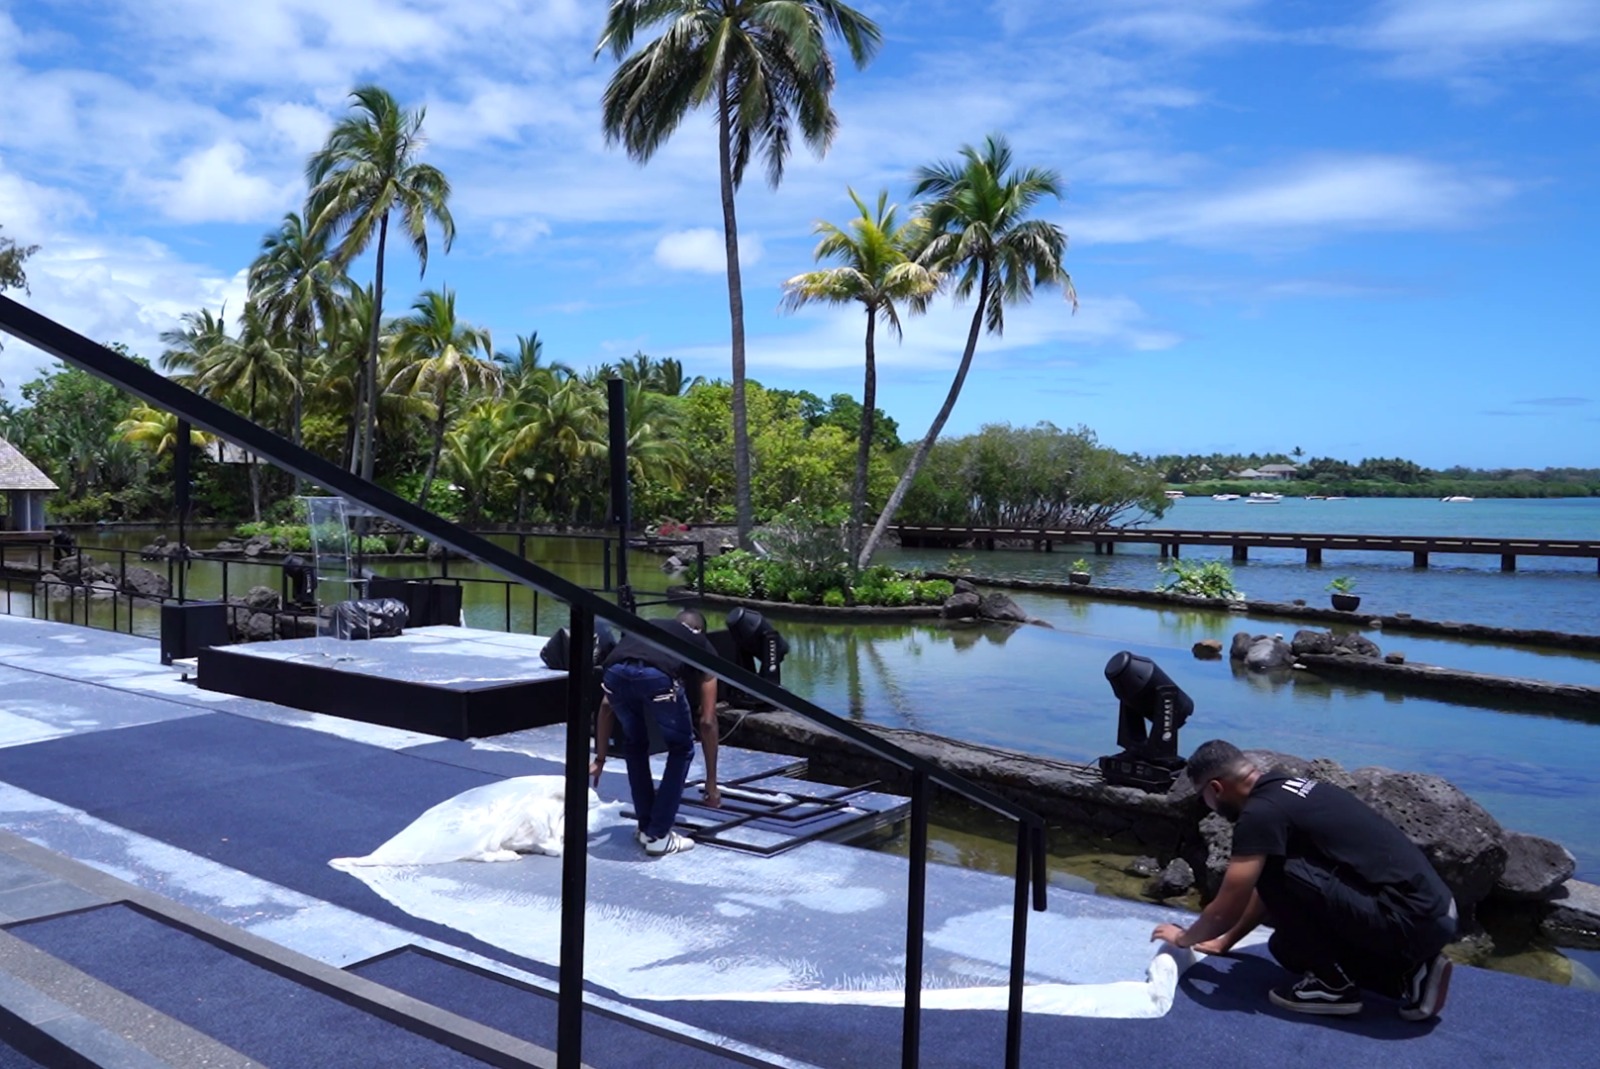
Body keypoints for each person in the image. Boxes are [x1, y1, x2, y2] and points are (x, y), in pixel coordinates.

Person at [1151, 739, 1457, 1020]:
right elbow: (1269, 895)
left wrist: (1183, 938)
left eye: (1203, 797)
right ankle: (1410, 973)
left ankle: (1334, 987)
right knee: (1287, 949)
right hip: (1430, 912)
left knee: (1271, 869)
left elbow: (1230, 903)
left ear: (1216, 788)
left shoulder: (1259, 814)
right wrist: (1225, 941)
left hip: (1408, 918)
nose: (1208, 807)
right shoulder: (1290, 787)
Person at [589, 609, 720, 856]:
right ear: (699, 630)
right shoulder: (700, 642)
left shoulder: (647, 627)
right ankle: (659, 835)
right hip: (657, 677)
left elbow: (606, 707)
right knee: (681, 748)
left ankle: (645, 827)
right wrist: (711, 782)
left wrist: (600, 758)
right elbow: (707, 722)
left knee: (635, 744)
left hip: (614, 674)